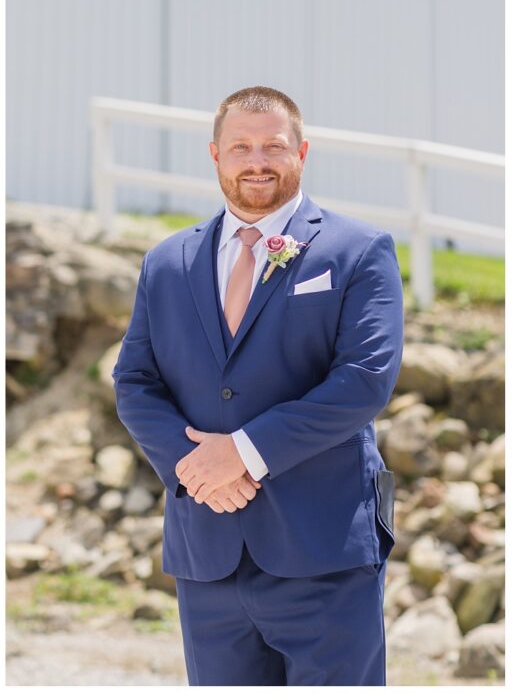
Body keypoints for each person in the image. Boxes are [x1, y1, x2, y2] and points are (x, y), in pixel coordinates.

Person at [113, 86, 403, 685]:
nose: (258, 162)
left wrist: (242, 454)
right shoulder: (167, 263)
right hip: (207, 554)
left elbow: (364, 379)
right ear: (215, 154)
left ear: (302, 151)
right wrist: (197, 469)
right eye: (241, 146)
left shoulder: (358, 250)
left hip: (325, 550)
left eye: (274, 146)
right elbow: (135, 383)